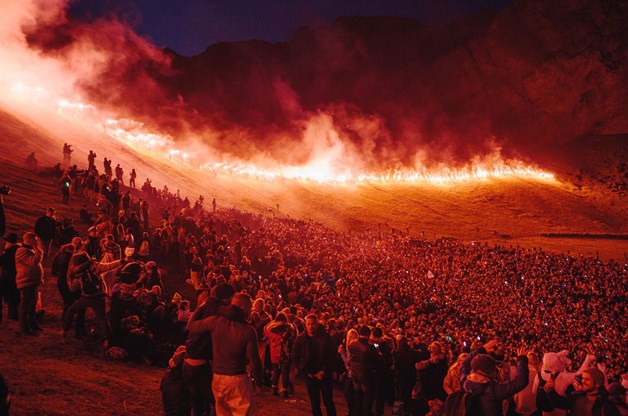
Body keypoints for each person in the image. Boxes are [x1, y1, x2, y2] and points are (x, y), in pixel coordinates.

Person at [187, 292, 262, 416]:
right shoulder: (248, 331)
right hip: (238, 379)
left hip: (217, 378)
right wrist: (259, 382)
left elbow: (191, 325)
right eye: (250, 307)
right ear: (244, 308)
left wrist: (202, 306)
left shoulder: (216, 322)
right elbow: (254, 359)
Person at [63, 247, 123, 344]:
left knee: (71, 310)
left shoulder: (79, 273)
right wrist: (121, 261)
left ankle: (64, 331)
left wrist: (71, 285)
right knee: (102, 318)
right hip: (100, 297)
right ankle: (107, 340)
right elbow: (109, 266)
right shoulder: (96, 267)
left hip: (86, 297)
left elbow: (73, 288)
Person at [460, 340, 530, 416]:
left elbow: (464, 365)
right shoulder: (494, 390)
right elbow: (520, 382)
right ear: (490, 372)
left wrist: (481, 350)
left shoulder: (465, 381)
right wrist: (522, 359)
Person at [292, 314, 338, 416]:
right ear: (305, 325)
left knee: (328, 400)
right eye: (308, 324)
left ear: (317, 324)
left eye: (313, 324)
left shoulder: (326, 338)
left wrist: (324, 371)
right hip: (310, 375)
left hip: (324, 374)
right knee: (315, 402)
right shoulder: (301, 339)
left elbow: (333, 355)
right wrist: (305, 371)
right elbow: (295, 357)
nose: (310, 326)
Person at [537, 367, 621, 416]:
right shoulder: (577, 396)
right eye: (583, 378)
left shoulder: (607, 405)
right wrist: (550, 390)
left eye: (587, 379)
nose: (583, 381)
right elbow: (560, 403)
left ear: (597, 384)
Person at [15, 232, 45, 335]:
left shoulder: (28, 250)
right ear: (29, 240)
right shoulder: (21, 251)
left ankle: (31, 322)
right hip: (26, 281)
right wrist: (39, 250)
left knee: (32, 304)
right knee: (25, 304)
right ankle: (24, 327)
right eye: (35, 240)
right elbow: (33, 262)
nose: (37, 242)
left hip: (32, 281)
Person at [348, 325, 379, 416]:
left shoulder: (351, 344)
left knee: (357, 395)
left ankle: (357, 413)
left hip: (354, 372)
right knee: (367, 398)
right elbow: (378, 360)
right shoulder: (370, 348)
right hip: (365, 375)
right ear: (369, 334)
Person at [0, 233, 20, 323]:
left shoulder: (10, 251)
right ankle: (13, 313)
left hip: (8, 275)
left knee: (10, 294)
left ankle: (13, 314)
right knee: (14, 295)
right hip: (15, 275)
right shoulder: (18, 249)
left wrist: (3, 253)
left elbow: (2, 261)